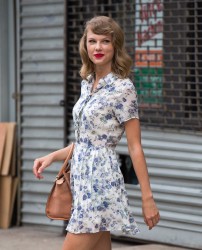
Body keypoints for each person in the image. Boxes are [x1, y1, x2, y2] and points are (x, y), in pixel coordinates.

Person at [33, 16, 160, 250]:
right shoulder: (87, 82)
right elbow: (88, 141)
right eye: (93, 41)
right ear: (85, 45)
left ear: (115, 46)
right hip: (81, 180)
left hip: (100, 181)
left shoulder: (123, 88)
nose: (98, 47)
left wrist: (147, 198)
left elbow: (135, 147)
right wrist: (52, 156)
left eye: (105, 41)